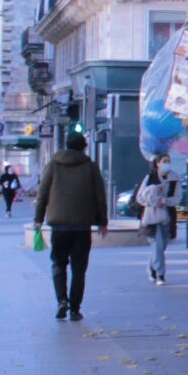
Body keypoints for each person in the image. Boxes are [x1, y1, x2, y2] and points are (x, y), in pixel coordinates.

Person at [34, 131, 108, 321]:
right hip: (82, 227)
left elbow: (42, 193)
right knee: (79, 268)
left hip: (59, 226)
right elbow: (100, 196)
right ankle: (75, 308)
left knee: (58, 264)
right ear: (84, 147)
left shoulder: (53, 164)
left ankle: (61, 301)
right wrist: (102, 222)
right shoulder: (91, 167)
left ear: (65, 145)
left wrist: (38, 218)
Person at [136, 154, 178, 285]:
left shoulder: (174, 178)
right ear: (157, 163)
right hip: (151, 217)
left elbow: (177, 197)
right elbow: (140, 197)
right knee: (157, 245)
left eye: (169, 161)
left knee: (161, 246)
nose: (167, 164)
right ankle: (160, 274)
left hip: (167, 216)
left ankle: (151, 267)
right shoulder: (150, 178)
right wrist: (154, 202)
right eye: (164, 161)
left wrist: (166, 201)